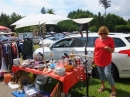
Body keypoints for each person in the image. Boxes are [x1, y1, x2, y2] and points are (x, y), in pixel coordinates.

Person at [93, 26, 117, 97]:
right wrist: (93, 58)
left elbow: (113, 50)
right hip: (98, 60)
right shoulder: (97, 40)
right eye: (101, 33)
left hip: (106, 61)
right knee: (101, 74)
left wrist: (109, 48)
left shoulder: (110, 39)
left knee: (108, 75)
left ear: (107, 33)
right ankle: (103, 86)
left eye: (104, 33)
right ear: (99, 33)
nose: (103, 35)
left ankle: (113, 91)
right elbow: (95, 50)